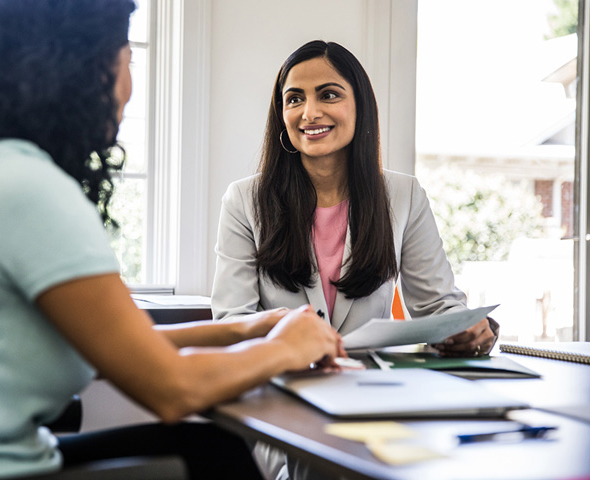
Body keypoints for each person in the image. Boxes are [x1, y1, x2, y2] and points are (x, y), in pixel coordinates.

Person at [0, 3, 345, 479]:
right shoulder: (26, 190)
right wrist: (287, 347)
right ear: (85, 69)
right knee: (213, 456)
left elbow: (120, 344)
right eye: (128, 61)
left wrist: (244, 330)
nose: (130, 88)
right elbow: (172, 389)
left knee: (210, 448)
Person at [211, 40, 499, 479]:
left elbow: (439, 307)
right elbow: (232, 323)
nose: (309, 113)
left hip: (377, 405)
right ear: (280, 114)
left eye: (328, 94)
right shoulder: (244, 200)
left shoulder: (403, 196)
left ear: (359, 105)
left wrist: (467, 330)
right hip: (283, 405)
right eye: (294, 99)